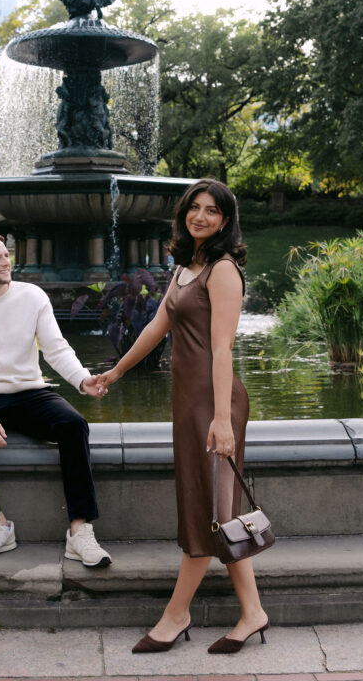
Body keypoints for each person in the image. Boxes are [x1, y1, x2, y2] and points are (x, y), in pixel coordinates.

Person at [93, 179, 268, 655]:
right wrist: (116, 372)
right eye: (195, 207)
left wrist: (222, 420)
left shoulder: (223, 270)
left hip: (214, 405)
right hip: (190, 404)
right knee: (217, 509)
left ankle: (176, 614)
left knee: (205, 511)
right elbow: (157, 326)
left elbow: (222, 348)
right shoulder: (186, 267)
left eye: (212, 210)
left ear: (226, 221)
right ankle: (252, 612)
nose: (201, 216)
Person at [0, 232, 111, 567]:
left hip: (30, 393)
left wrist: (82, 379)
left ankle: (80, 531)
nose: (6, 262)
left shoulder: (32, 296)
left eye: (7, 255)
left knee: (74, 425)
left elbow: (55, 348)